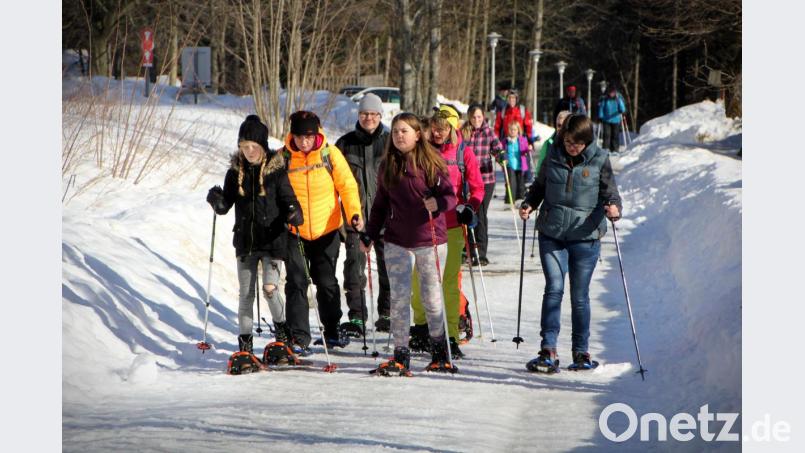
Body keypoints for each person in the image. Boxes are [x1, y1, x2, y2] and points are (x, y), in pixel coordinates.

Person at [519, 114, 622, 373]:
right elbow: (540, 186)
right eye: (568, 141)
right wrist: (529, 203)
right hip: (552, 232)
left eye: (577, 143)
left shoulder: (599, 159)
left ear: (587, 141)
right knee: (554, 287)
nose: (572, 147)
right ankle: (548, 349)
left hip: (585, 237)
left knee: (579, 296)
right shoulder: (553, 154)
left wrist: (613, 207)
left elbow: (610, 192)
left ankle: (581, 351)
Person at [361, 112, 458, 374]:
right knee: (400, 299)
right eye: (395, 131)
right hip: (397, 240)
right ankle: (400, 354)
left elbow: (450, 196)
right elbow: (380, 204)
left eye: (404, 131)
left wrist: (437, 204)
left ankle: (439, 351)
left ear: (418, 135)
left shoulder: (431, 161)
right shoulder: (387, 165)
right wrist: (369, 233)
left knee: (432, 297)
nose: (399, 135)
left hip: (430, 238)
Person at [205, 115, 302, 355]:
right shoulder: (234, 173)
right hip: (246, 243)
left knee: (270, 288)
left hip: (272, 240)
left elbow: (289, 199)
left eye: (254, 146)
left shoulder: (277, 172)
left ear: (262, 146)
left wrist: (294, 212)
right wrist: (216, 200)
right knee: (246, 295)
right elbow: (225, 206)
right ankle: (245, 345)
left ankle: (282, 333)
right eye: (244, 146)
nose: (249, 151)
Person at [281, 110, 363, 354]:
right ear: (292, 136)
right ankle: (299, 337)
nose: (304, 142)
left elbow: (347, 186)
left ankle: (332, 328)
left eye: (308, 136)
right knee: (296, 282)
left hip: (326, 229)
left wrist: (354, 214)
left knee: (326, 282)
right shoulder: (283, 157)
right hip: (294, 231)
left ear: (316, 133)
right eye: (298, 137)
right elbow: (271, 188)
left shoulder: (330, 154)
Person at [409, 105, 484, 359]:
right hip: (423, 224)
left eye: (442, 128)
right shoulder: (422, 152)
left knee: (449, 282)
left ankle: (451, 334)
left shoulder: (464, 153)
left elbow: (478, 189)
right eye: (434, 128)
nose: (438, 133)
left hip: (451, 226)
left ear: (452, 128)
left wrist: (469, 208)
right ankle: (421, 329)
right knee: (420, 280)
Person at [335, 93, 392, 335]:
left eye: (372, 114)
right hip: (355, 219)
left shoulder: (391, 142)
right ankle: (357, 317)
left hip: (387, 217)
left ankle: (387, 314)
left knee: (389, 266)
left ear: (380, 115)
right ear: (359, 115)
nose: (368, 118)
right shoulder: (345, 144)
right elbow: (333, 181)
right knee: (353, 269)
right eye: (364, 114)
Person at [460, 103, 504, 266]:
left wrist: (500, 155)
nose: (477, 120)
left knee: (480, 214)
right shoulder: (463, 132)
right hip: (467, 180)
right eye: (473, 117)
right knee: (467, 213)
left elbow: (496, 147)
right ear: (469, 117)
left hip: (485, 180)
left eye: (479, 117)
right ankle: (467, 249)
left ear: (483, 116)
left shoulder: (488, 132)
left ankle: (481, 252)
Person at [502, 121, 530, 203]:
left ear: (518, 130)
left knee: (521, 184)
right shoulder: (506, 141)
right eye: (511, 129)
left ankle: (520, 199)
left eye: (514, 129)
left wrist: (528, 149)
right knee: (511, 183)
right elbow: (501, 150)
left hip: (520, 165)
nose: (512, 131)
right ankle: (509, 201)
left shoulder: (522, 140)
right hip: (510, 165)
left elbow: (525, 149)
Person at [598, 84, 627, 153]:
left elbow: (622, 107)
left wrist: (622, 111)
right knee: (607, 135)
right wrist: (600, 117)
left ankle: (615, 149)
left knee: (615, 135)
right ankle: (605, 149)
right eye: (611, 92)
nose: (612, 94)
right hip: (606, 120)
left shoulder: (618, 99)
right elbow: (601, 108)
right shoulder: (605, 99)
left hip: (616, 120)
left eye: (613, 92)